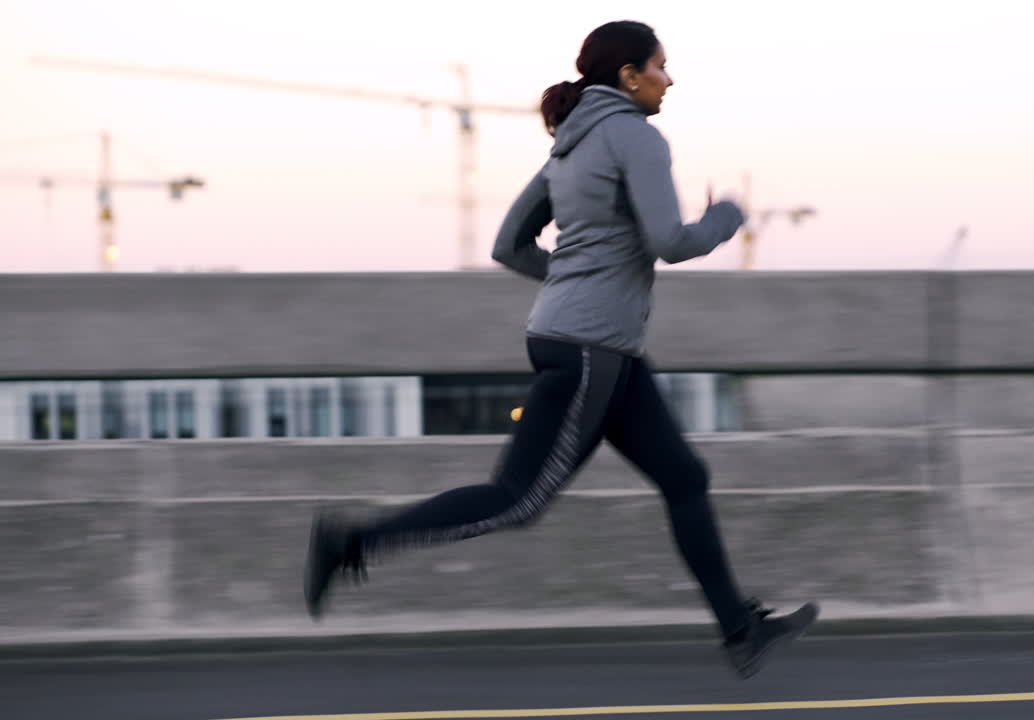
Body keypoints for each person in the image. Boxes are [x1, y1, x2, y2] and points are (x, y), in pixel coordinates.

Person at [304, 19, 817, 679]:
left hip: (588, 345)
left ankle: (742, 632)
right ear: (629, 76)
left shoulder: (569, 146)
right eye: (661, 66)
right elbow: (669, 240)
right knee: (517, 499)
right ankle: (348, 541)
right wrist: (726, 218)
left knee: (685, 479)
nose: (670, 78)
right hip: (589, 349)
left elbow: (507, 245)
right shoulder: (637, 137)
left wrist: (571, 283)